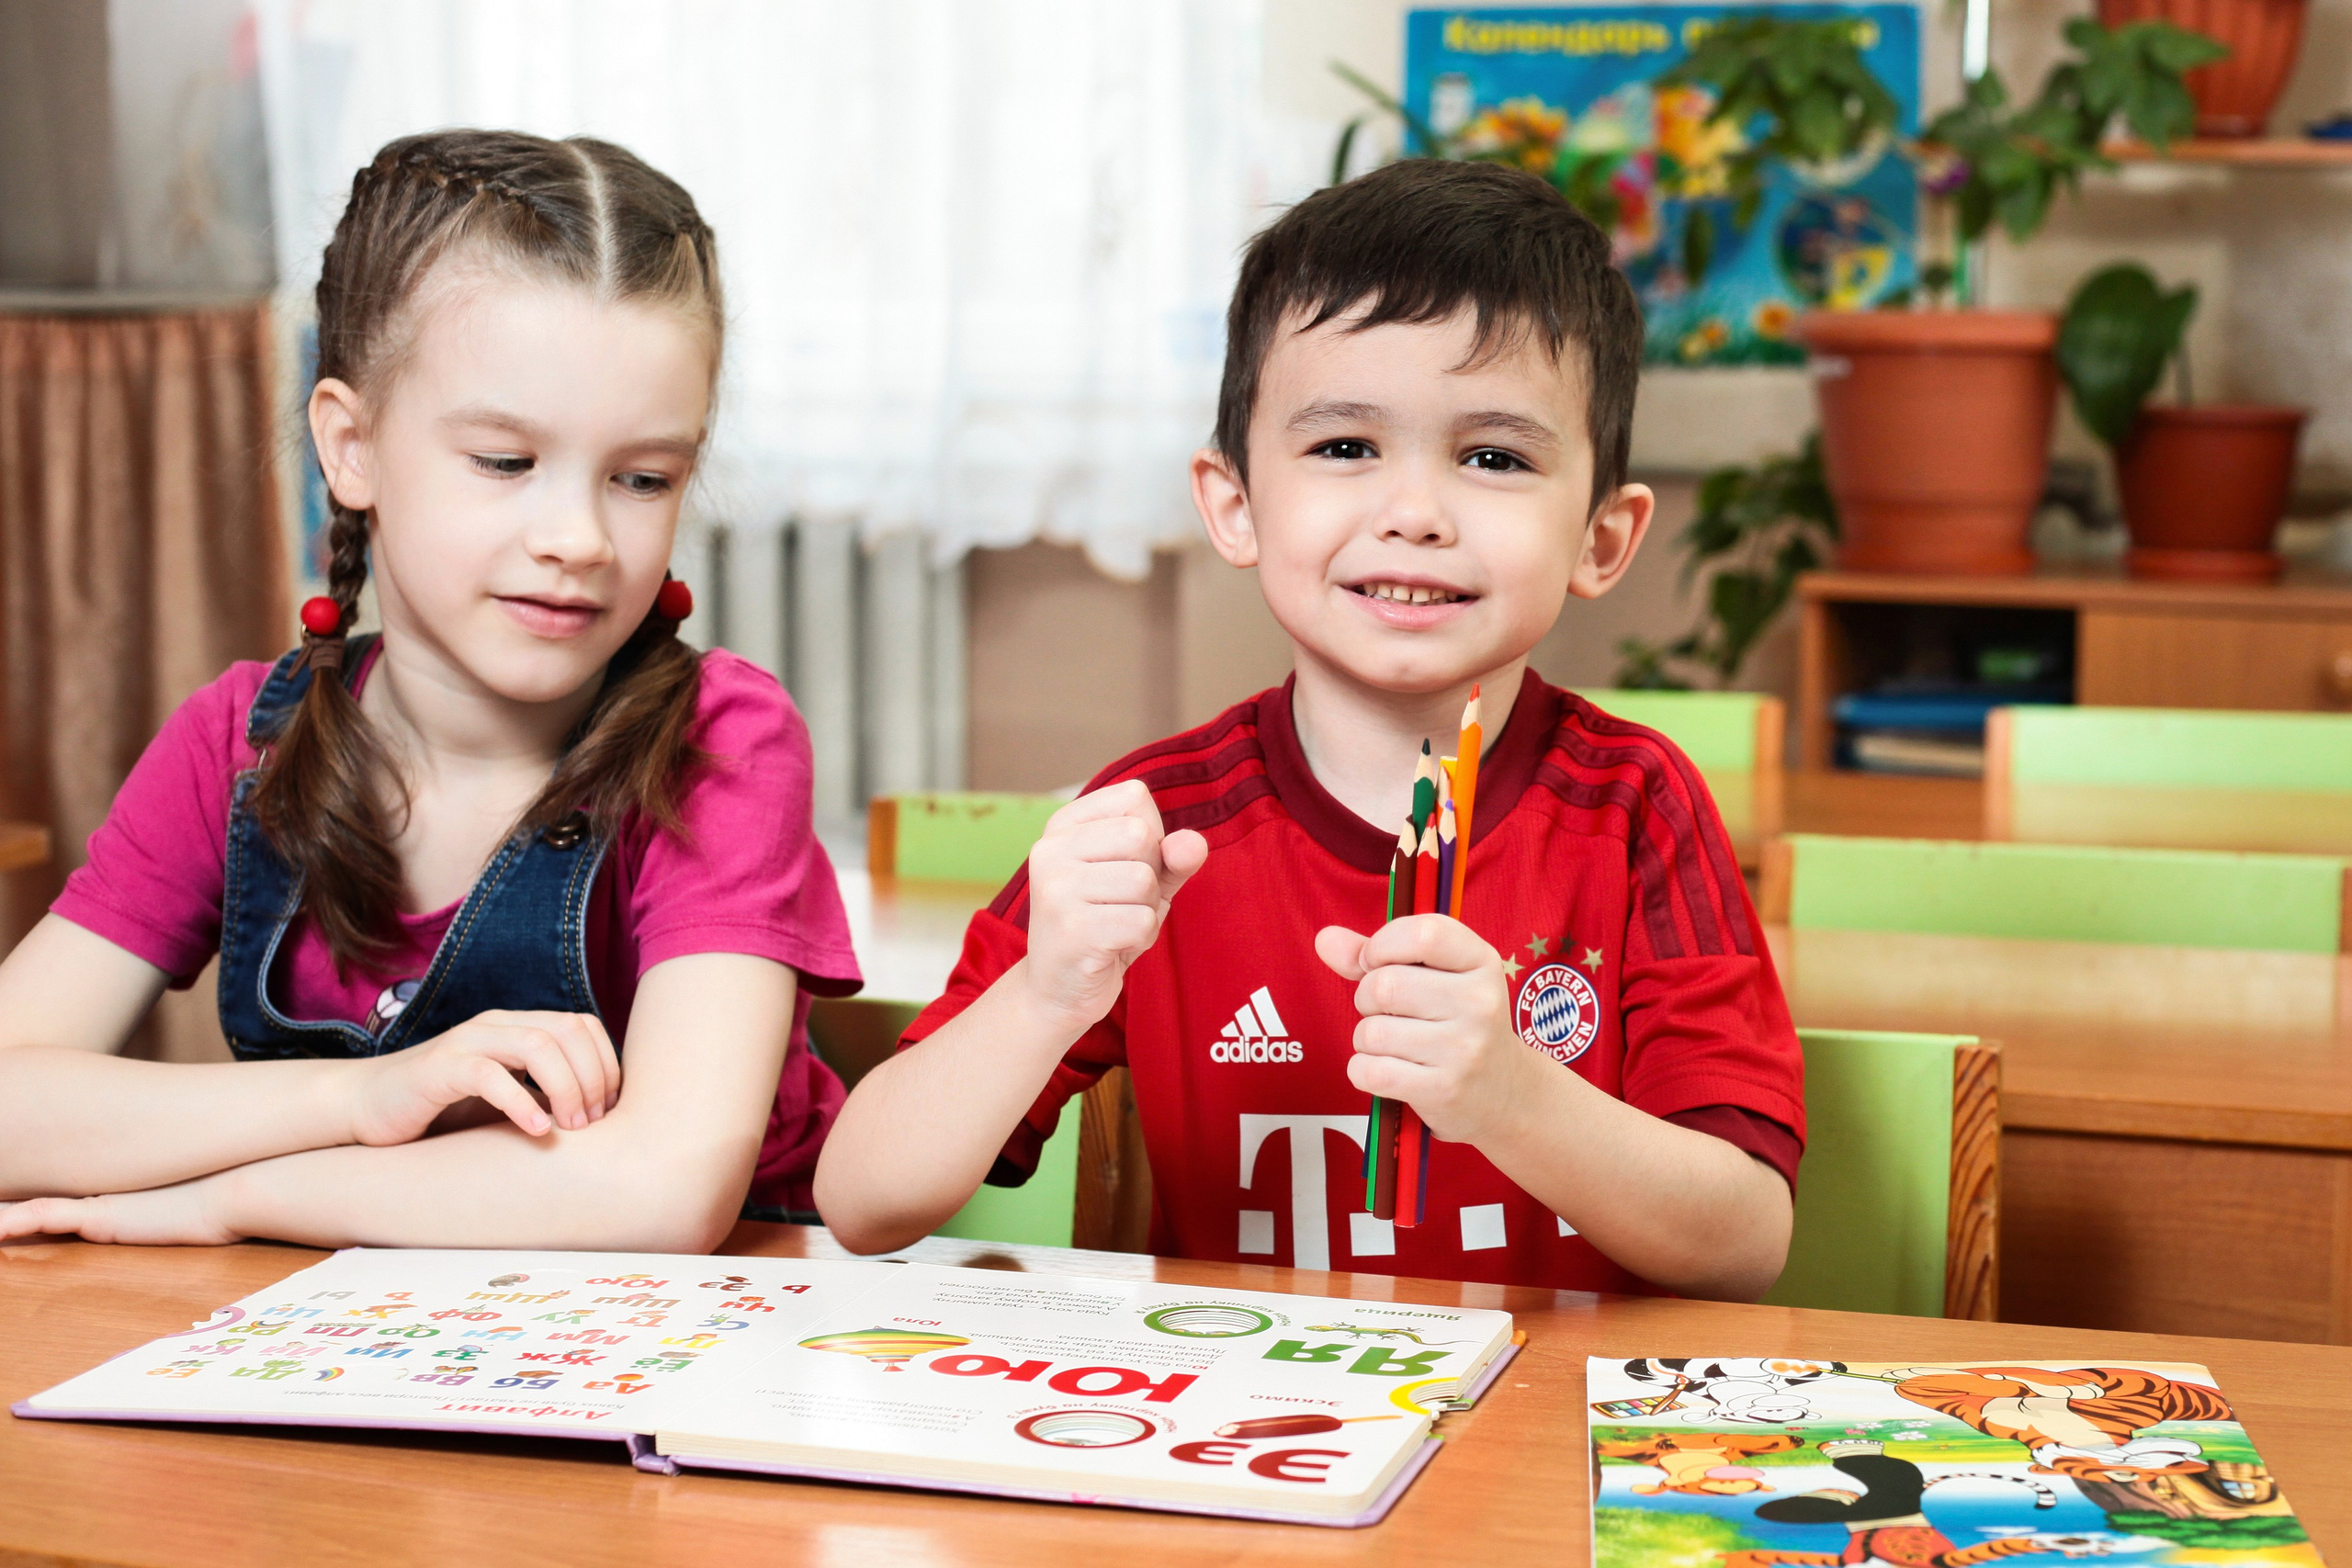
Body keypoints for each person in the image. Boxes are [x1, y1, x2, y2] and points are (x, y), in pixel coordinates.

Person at [816, 160, 1802, 1300]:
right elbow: (862, 1200)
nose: (1414, 513)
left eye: (1494, 457)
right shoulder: (1155, 824)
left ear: (1600, 537)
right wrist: (1046, 992)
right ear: (1234, 504)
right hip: (1253, 1441)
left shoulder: (1634, 805)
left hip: (1542, 1452)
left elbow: (1743, 1242)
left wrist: (1510, 1094)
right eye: (1344, 447)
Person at [0, 130, 859, 1250]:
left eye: (642, 479)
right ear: (349, 448)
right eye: (505, 463)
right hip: (322, 1348)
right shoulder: (236, 744)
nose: (578, 537)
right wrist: (357, 1100)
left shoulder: (722, 742)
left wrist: (237, 1196)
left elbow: (662, 1192)